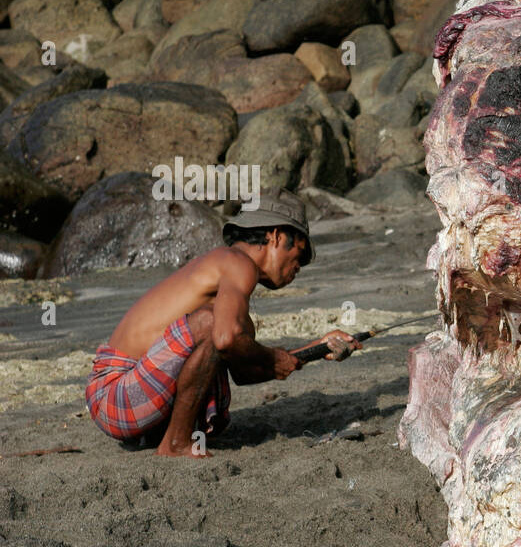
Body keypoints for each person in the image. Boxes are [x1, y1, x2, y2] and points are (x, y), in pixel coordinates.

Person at [85, 191, 362, 457]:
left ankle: (171, 437)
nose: (298, 267)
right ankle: (176, 444)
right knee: (214, 324)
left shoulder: (230, 280)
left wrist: (316, 348)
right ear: (276, 236)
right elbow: (226, 339)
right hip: (114, 396)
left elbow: (244, 370)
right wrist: (275, 357)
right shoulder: (237, 263)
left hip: (132, 400)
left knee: (232, 330)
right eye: (298, 254)